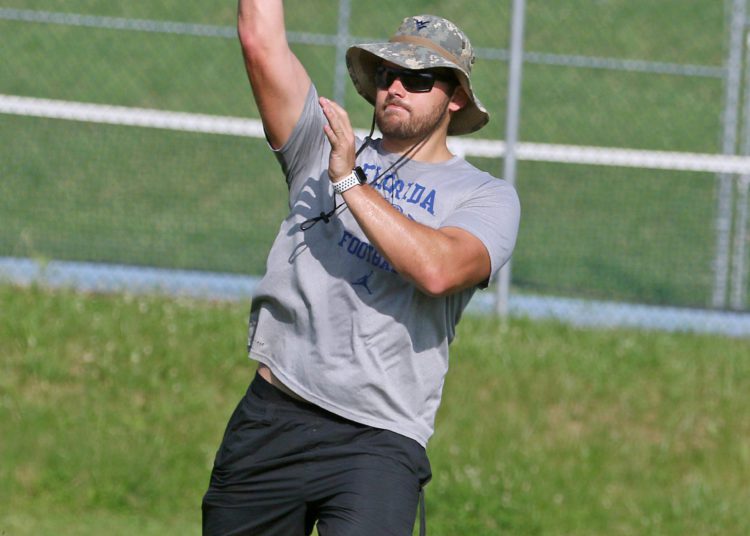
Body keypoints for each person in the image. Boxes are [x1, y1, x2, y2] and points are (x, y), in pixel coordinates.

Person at [202, 2, 520, 535]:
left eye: (418, 79)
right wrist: (343, 163)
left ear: (455, 98)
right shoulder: (321, 145)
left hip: (378, 441)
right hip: (275, 413)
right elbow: (261, 39)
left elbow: (438, 270)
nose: (395, 87)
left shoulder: (486, 197)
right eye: (388, 73)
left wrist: (350, 182)